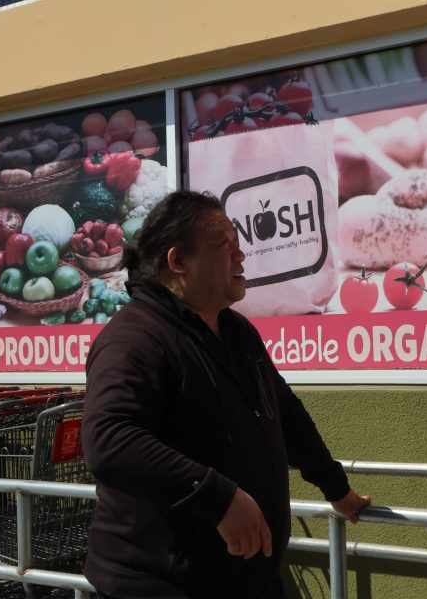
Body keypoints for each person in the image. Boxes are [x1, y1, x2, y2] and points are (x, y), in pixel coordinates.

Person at [81, 190, 370, 599]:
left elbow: (284, 414)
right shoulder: (134, 339)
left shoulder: (236, 331)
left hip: (245, 576)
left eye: (239, 245)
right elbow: (109, 441)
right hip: (161, 583)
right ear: (178, 261)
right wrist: (218, 497)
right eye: (225, 246)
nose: (241, 257)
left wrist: (335, 487)